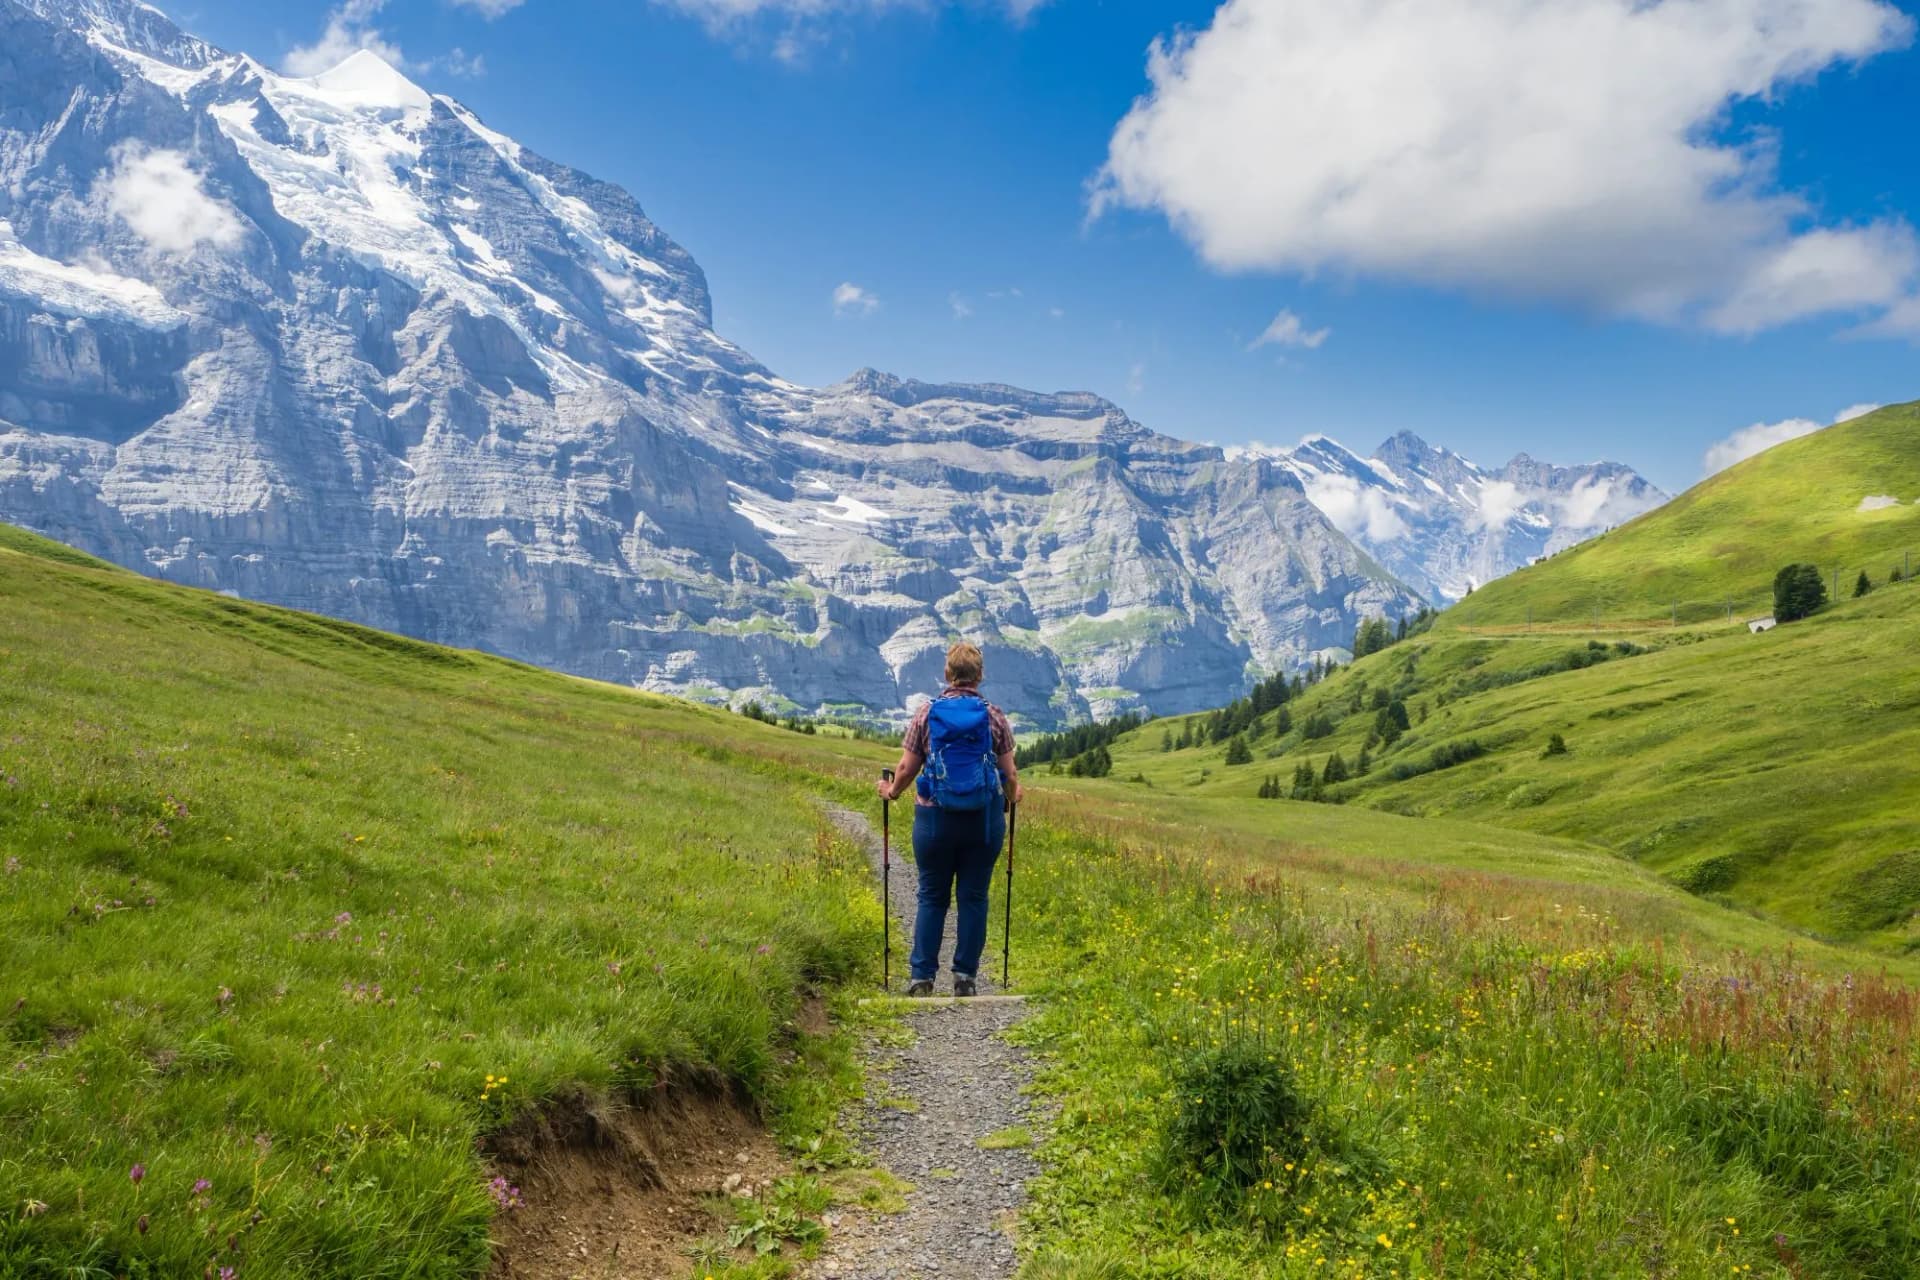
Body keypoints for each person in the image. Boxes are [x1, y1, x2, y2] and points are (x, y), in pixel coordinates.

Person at [876, 641, 1023, 997]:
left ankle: (922, 978)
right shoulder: (994, 716)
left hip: (934, 820)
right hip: (983, 821)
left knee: (931, 895)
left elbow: (907, 767)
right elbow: (1009, 775)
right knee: (973, 896)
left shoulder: (927, 713)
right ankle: (965, 978)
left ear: (947, 674)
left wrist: (890, 791)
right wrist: (1012, 796)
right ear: (979, 675)